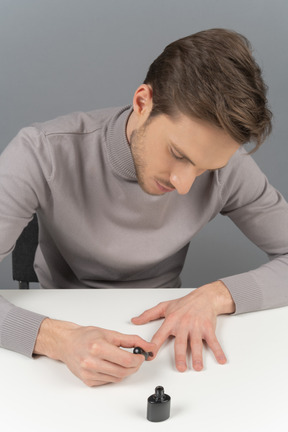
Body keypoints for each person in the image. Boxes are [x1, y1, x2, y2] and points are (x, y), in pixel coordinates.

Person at [0, 28, 287, 387]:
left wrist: (215, 296)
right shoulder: (40, 153)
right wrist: (55, 339)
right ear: (142, 102)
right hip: (58, 336)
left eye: (205, 169)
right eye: (178, 155)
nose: (184, 185)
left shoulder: (229, 166)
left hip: (165, 336)